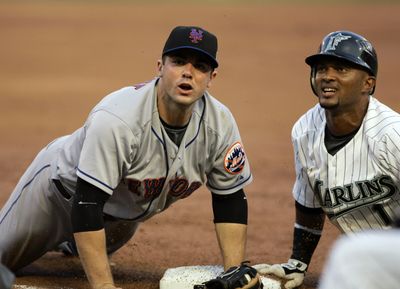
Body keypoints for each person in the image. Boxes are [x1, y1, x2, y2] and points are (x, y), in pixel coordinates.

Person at [0, 26, 255, 289]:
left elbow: (230, 198)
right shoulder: (118, 119)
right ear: (160, 66)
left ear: (211, 77)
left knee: (86, 246)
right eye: (178, 62)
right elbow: (86, 202)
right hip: (58, 196)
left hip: (121, 218)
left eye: (200, 66)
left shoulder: (220, 124)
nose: (187, 72)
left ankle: (72, 242)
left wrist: (233, 272)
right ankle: (55, 234)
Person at [254, 30, 400, 289]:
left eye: (341, 69)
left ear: (368, 83)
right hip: (376, 259)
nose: (327, 76)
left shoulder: (392, 135)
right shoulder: (304, 131)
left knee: (346, 257)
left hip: (383, 254)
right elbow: (309, 204)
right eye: (321, 69)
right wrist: (298, 262)